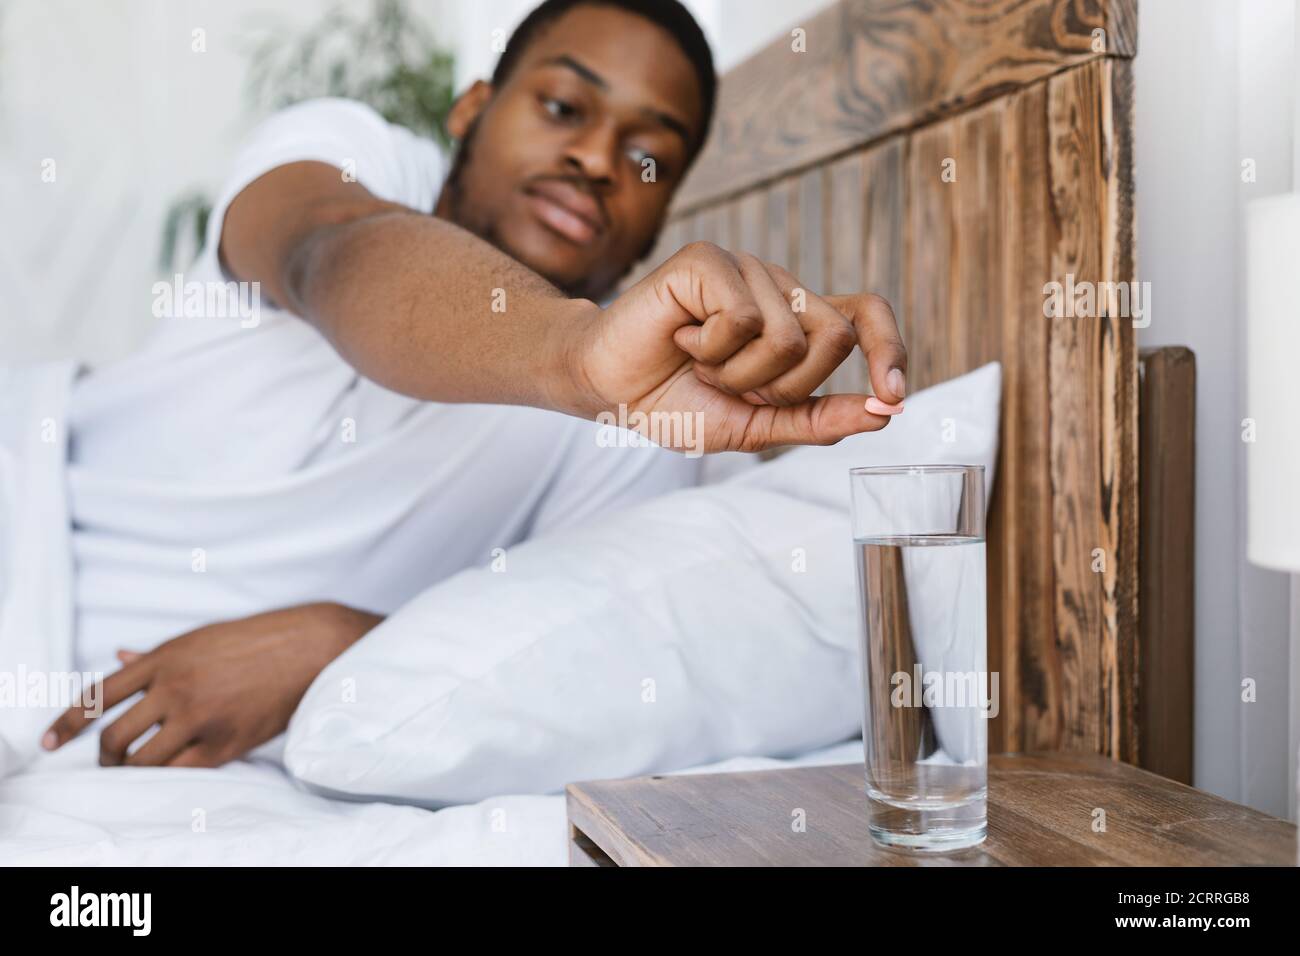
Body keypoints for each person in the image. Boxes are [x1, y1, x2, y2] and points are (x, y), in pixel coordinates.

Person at [34, 0, 906, 770]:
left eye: (648, 158)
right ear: (473, 108)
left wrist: (341, 644)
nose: (600, 159)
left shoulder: (644, 418)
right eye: (564, 107)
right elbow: (328, 253)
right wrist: (579, 351)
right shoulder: (351, 155)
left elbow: (537, 652)